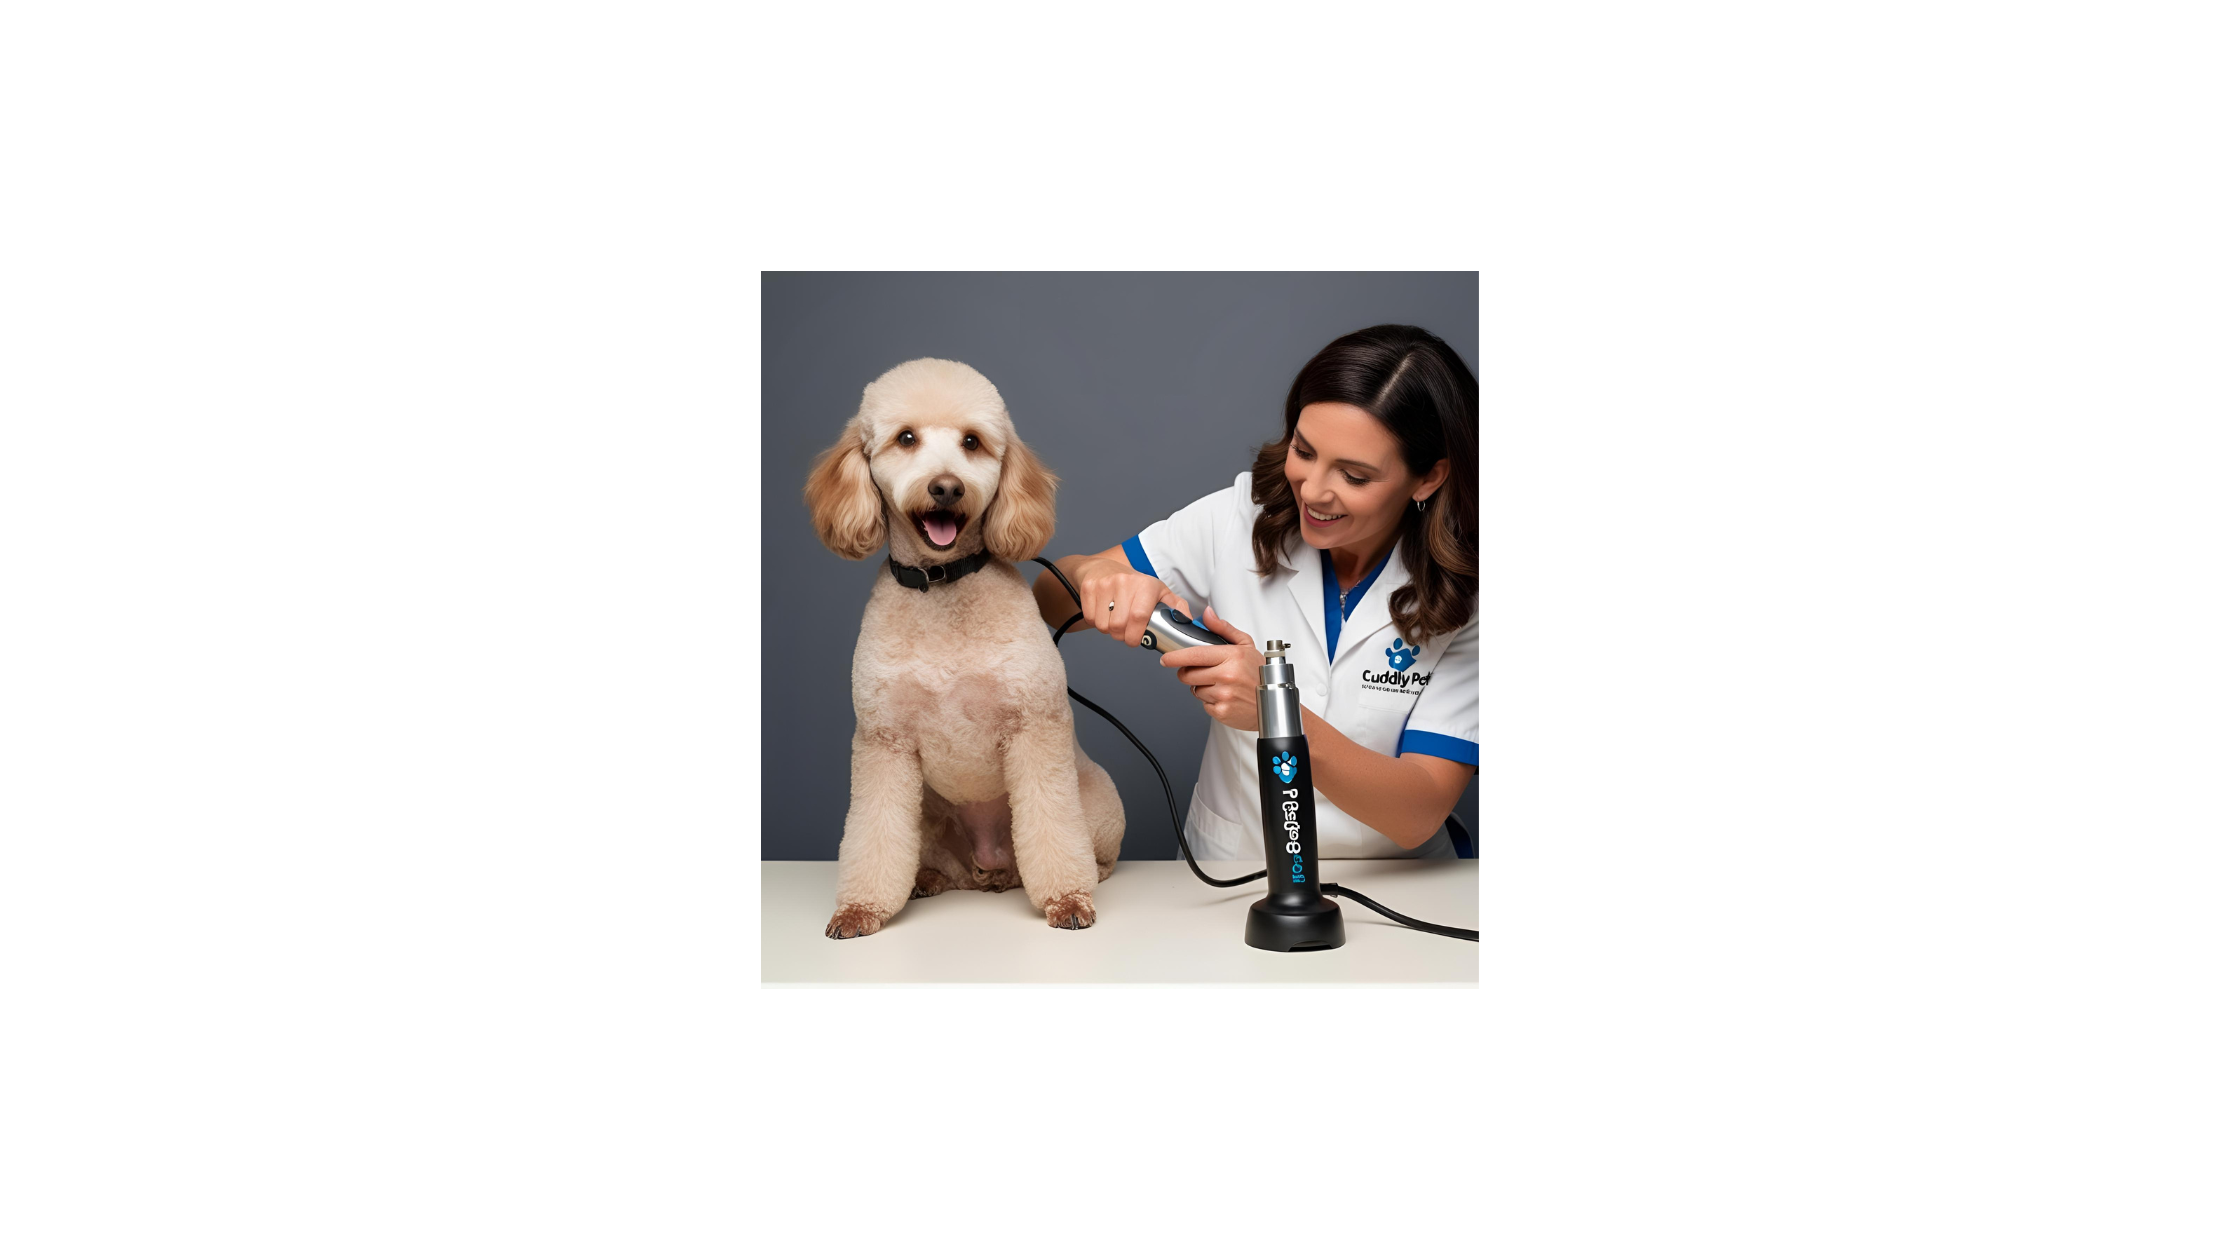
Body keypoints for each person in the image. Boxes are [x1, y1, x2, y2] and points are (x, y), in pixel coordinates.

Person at [1033, 325, 1478, 860]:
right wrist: (1093, 580)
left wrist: (1274, 709)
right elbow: (1047, 599)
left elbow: (1419, 812)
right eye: (1304, 451)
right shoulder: (1242, 515)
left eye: (1355, 476)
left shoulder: (1473, 593)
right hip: (1239, 869)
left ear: (1428, 478)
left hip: (1399, 888)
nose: (1313, 490)